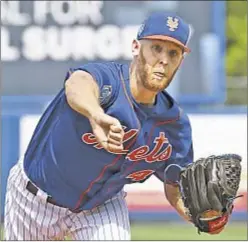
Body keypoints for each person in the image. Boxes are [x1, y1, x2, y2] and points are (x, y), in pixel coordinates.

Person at [4, 12, 194, 240]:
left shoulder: (175, 126)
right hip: (33, 198)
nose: (163, 59)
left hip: (100, 207)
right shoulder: (108, 80)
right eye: (156, 48)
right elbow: (77, 83)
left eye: (173, 53)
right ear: (136, 47)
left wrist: (202, 215)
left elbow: (175, 187)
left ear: (180, 61)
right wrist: (95, 114)